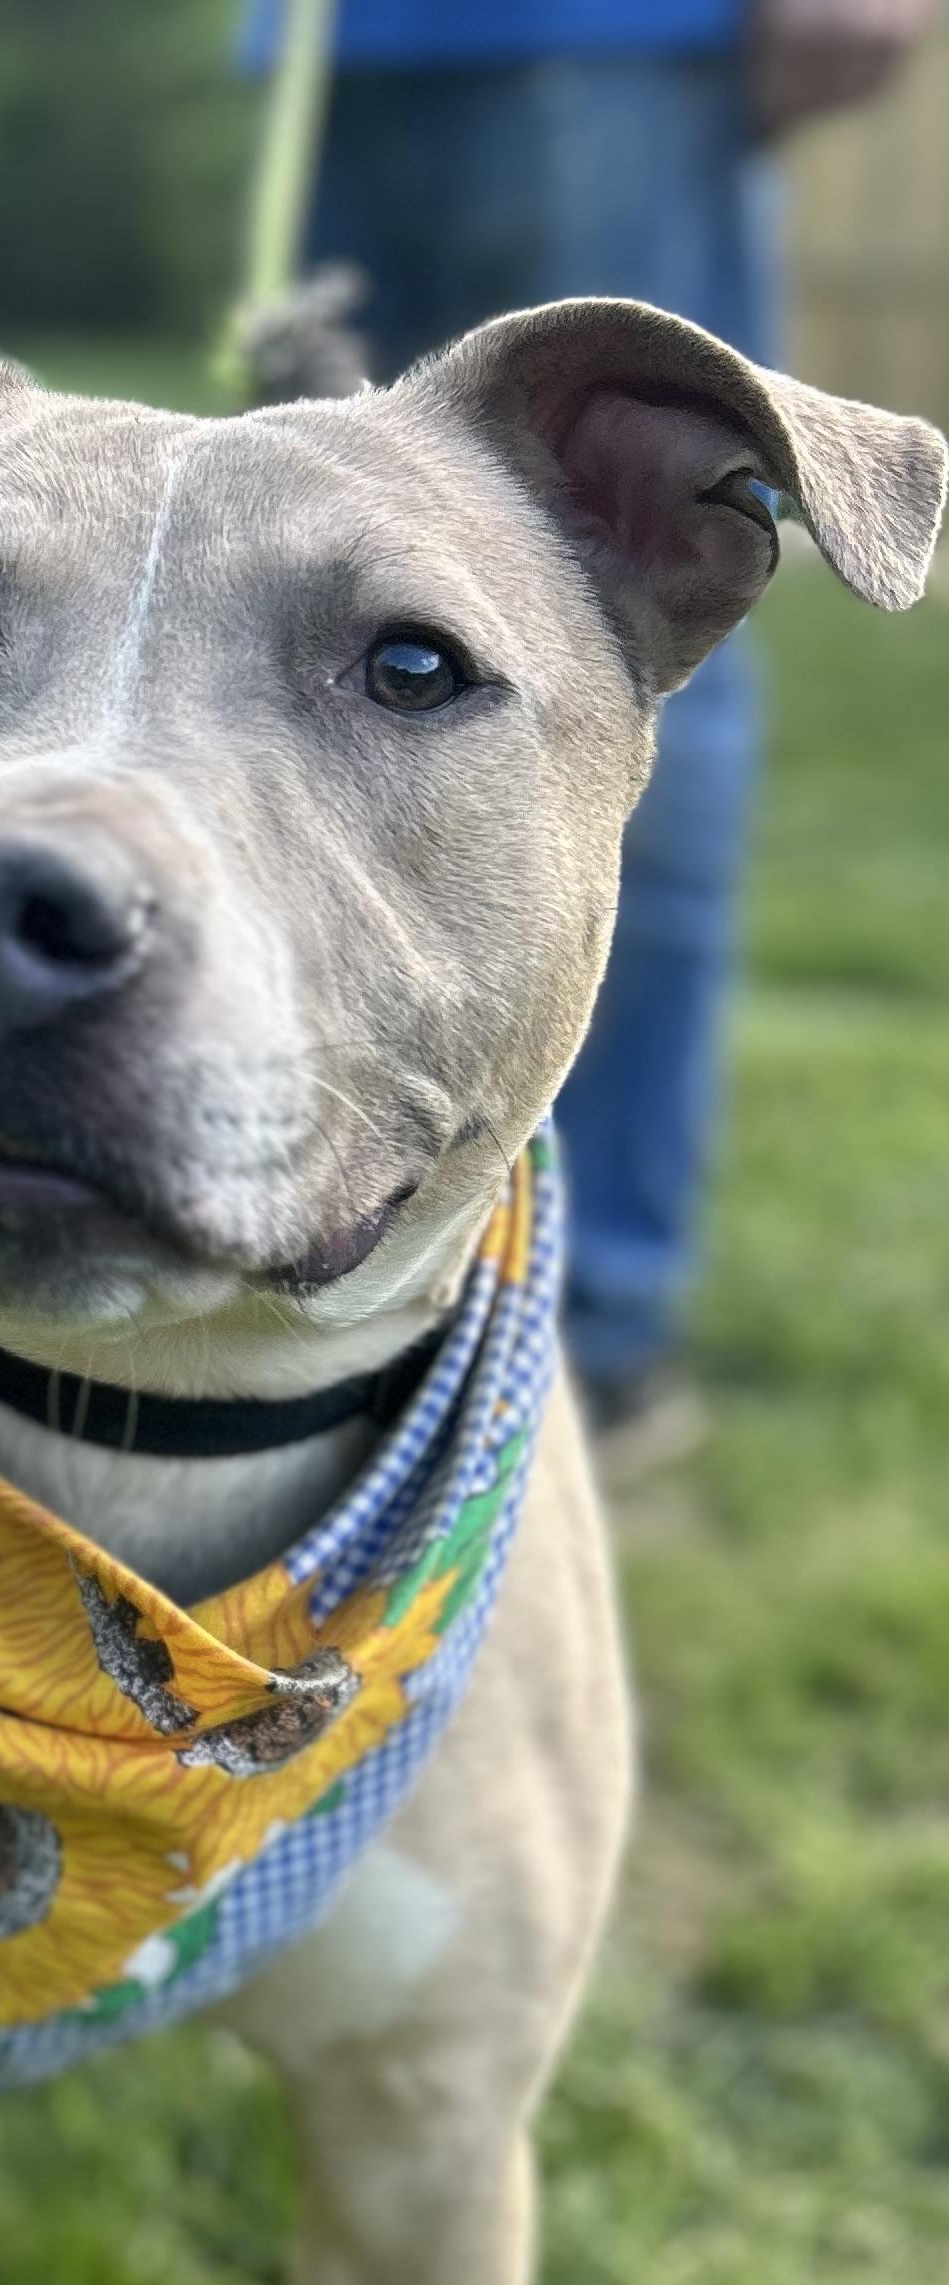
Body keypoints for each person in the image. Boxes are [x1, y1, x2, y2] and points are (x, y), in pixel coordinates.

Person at [298, 0, 934, 1464]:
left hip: (613, 35)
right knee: (295, 664)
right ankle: (312, 1246)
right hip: (323, 50)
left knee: (610, 630)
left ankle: (590, 1336)